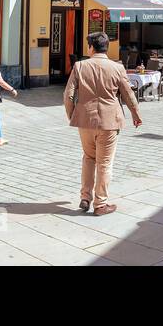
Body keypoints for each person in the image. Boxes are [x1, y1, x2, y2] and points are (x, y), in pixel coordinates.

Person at [64, 32, 142, 215]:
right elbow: (128, 94)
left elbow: (68, 95)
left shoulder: (80, 66)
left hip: (85, 120)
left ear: (91, 47)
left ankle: (85, 197)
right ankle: (101, 203)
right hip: (109, 121)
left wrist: (73, 115)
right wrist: (136, 114)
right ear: (106, 47)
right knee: (104, 163)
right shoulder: (117, 68)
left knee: (88, 158)